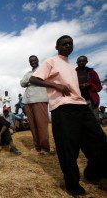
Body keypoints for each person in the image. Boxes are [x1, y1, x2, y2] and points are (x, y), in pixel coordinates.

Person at [29, 35, 107, 196]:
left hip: (82, 107)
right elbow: (34, 79)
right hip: (63, 108)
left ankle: (93, 174)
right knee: (68, 149)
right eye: (64, 44)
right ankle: (72, 184)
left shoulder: (72, 68)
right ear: (57, 46)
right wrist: (55, 85)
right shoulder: (51, 61)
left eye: (70, 43)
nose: (68, 46)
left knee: (100, 142)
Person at [20, 55, 50, 154]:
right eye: (31, 61)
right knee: (33, 126)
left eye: (34, 60)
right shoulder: (28, 73)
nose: (33, 62)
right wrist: (32, 80)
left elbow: (45, 80)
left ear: (38, 60)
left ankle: (45, 148)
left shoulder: (43, 70)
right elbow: (22, 83)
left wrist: (30, 81)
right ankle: (37, 147)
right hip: (28, 100)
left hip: (40, 98)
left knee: (41, 124)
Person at [76, 55, 102, 121]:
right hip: (78, 101)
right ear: (77, 62)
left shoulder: (92, 73)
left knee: (95, 122)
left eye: (83, 61)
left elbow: (99, 87)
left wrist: (89, 85)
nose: (81, 62)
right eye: (79, 61)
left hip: (91, 101)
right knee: (80, 122)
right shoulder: (73, 73)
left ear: (86, 62)